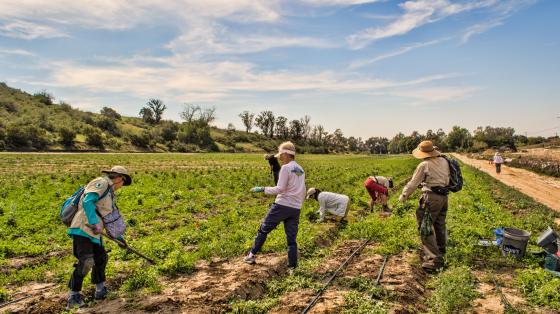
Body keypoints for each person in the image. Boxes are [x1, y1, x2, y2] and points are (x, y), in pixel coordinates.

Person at [66, 166, 132, 309]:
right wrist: (94, 222)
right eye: (123, 183)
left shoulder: (110, 193)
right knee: (87, 260)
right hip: (83, 227)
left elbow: (109, 218)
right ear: (120, 178)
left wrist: (118, 238)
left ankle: (100, 290)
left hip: (95, 232)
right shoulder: (101, 183)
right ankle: (73, 296)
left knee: (101, 258)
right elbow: (88, 201)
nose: (121, 186)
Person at [245, 142, 306, 269]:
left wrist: (263, 189)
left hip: (282, 205)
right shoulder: (300, 169)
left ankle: (251, 255)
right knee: (291, 239)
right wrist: (298, 203)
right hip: (295, 208)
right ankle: (292, 267)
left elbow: (280, 188)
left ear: (286, 154)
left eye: (281, 155)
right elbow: (303, 189)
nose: (280, 158)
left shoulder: (286, 168)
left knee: (263, 229)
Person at [398, 141, 450, 272]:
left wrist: (403, 196)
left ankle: (434, 260)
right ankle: (441, 251)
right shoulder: (444, 161)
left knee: (425, 227)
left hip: (431, 197)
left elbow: (413, 183)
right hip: (444, 197)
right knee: (439, 224)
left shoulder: (424, 164)